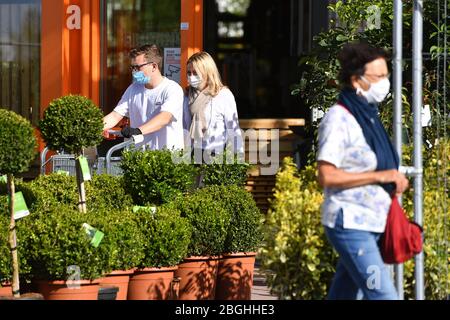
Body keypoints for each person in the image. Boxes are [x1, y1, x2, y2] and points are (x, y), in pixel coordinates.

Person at [317, 43, 409, 300]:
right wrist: (382, 176)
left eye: (386, 75)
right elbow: (326, 175)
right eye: (378, 77)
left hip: (375, 221)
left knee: (346, 295)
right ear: (356, 80)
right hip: (351, 223)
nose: (385, 82)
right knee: (383, 294)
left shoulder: (368, 116)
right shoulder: (339, 119)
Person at [102, 44, 185, 150]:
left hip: (166, 159)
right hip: (140, 158)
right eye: (132, 67)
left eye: (137, 67)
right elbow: (115, 116)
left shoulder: (172, 89)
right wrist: (93, 129)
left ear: (154, 66)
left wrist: (138, 131)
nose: (134, 71)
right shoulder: (133, 89)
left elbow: (165, 118)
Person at [183, 51, 243, 163]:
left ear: (207, 72)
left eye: (195, 73)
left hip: (215, 156)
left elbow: (233, 129)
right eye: (189, 73)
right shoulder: (186, 96)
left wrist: (237, 158)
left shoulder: (222, 95)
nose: (191, 76)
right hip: (192, 155)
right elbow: (184, 127)